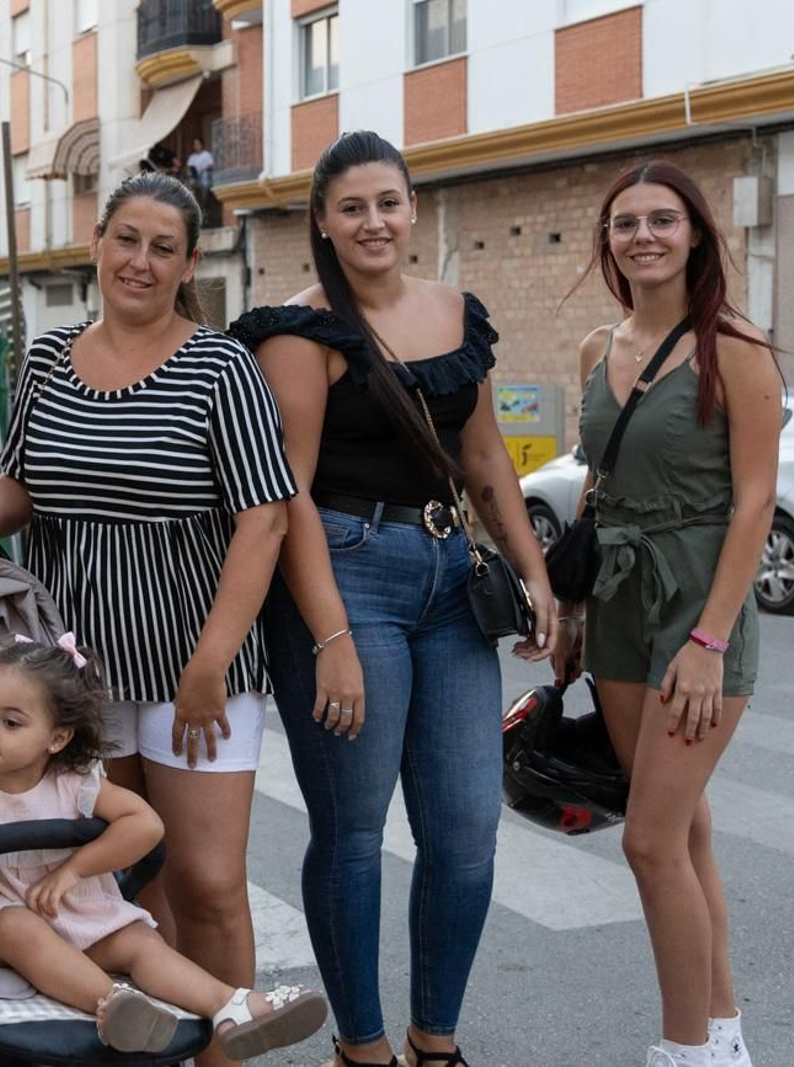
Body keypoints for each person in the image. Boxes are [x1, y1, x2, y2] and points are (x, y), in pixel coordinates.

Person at [0, 171, 296, 1067]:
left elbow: (264, 519)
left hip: (193, 665)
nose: (141, 260)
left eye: (164, 247)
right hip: (72, 674)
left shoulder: (220, 367)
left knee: (206, 880)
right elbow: (20, 485)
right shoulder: (48, 358)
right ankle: (149, 1048)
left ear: (189, 261)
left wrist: (211, 660)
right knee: (129, 883)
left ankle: (226, 1045)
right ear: (98, 243)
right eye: (126, 239)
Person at [228, 131, 557, 1067]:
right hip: (344, 567)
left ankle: (435, 1040)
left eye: (388, 202)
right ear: (324, 224)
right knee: (356, 830)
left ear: (412, 209)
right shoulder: (301, 328)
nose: (373, 221)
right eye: (351, 207)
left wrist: (532, 573)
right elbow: (286, 491)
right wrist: (328, 632)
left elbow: (486, 456)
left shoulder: (458, 310)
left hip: (452, 578)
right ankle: (362, 1046)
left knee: (465, 831)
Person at [555, 161, 778, 1067]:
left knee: (647, 841)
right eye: (624, 223)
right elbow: (596, 487)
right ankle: (722, 1030)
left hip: (697, 598)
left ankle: (687, 1050)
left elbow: (756, 502)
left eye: (662, 220)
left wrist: (709, 639)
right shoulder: (594, 349)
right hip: (614, 598)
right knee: (683, 829)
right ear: (608, 240)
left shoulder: (737, 345)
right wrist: (570, 611)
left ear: (694, 234)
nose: (642, 235)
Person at [0, 638, 329, 1060]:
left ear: (56, 738)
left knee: (139, 942)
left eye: (10, 723)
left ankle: (232, 1005)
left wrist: (74, 871)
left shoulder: (74, 784)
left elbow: (146, 825)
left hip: (72, 916)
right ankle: (112, 1004)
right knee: (17, 926)